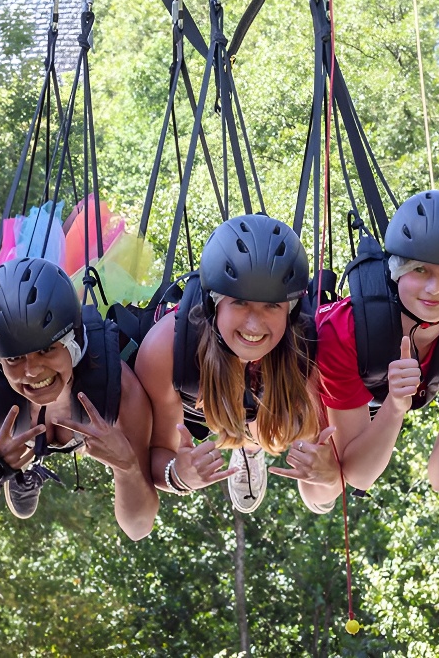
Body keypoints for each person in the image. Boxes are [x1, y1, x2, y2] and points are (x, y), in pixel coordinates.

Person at [134, 214, 341, 514]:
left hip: (270, 402)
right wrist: (179, 474)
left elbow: (317, 498)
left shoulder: (309, 348)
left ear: (291, 312)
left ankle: (252, 446)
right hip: (201, 404)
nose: (254, 324)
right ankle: (243, 442)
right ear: (213, 303)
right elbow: (156, 453)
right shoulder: (165, 349)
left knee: (271, 421)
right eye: (240, 303)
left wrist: (330, 475)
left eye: (272, 305)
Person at [0, 258, 159, 540]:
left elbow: (138, 528)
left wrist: (127, 467)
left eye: (46, 350)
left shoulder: (122, 390)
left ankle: (25, 463)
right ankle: (20, 468)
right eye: (14, 358)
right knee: (1, 464)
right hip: (14, 433)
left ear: (74, 341)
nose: (32, 371)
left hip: (94, 401)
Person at [317, 190, 439, 493]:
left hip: (372, 397)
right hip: (306, 390)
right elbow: (356, 476)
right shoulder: (343, 331)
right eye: (420, 269)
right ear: (397, 271)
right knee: (321, 491)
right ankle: (249, 444)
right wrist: (394, 406)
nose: (434, 289)